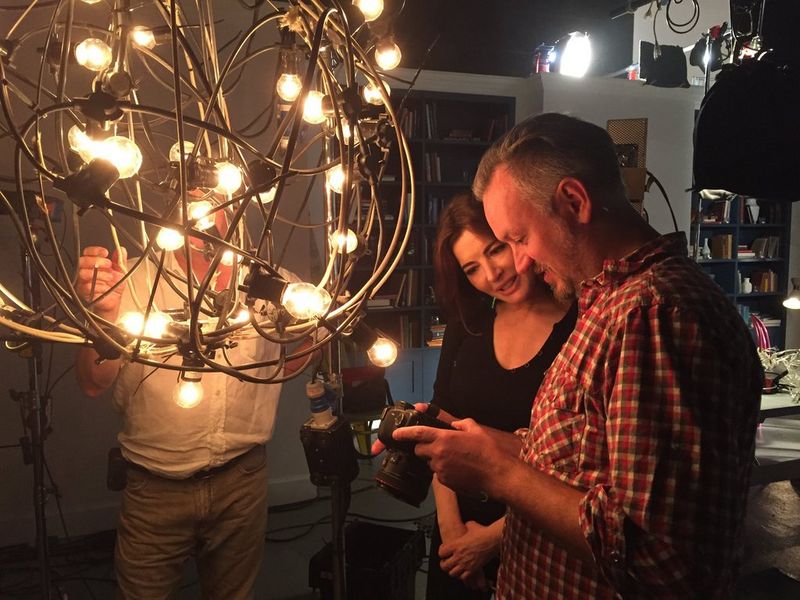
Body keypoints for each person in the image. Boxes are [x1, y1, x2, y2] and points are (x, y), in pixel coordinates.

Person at [388, 113, 763, 598]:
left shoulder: (652, 314)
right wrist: (482, 445)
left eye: (518, 239)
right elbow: (586, 461)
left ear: (574, 201)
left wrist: (499, 473)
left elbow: (660, 558)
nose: (518, 263)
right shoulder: (608, 302)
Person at [75, 209, 307, 598]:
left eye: (218, 197)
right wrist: (104, 314)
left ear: (238, 200)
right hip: (155, 488)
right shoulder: (130, 280)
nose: (205, 212)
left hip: (242, 481)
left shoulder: (276, 286)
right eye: (194, 199)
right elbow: (92, 382)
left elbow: (292, 355)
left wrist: (323, 337)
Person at [426, 193, 576, 598]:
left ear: (518, 239)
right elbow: (442, 425)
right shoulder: (468, 324)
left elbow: (580, 466)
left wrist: (491, 540)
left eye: (495, 250)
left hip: (540, 536)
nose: (493, 274)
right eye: (472, 268)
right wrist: (452, 532)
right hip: (457, 536)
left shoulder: (580, 327)